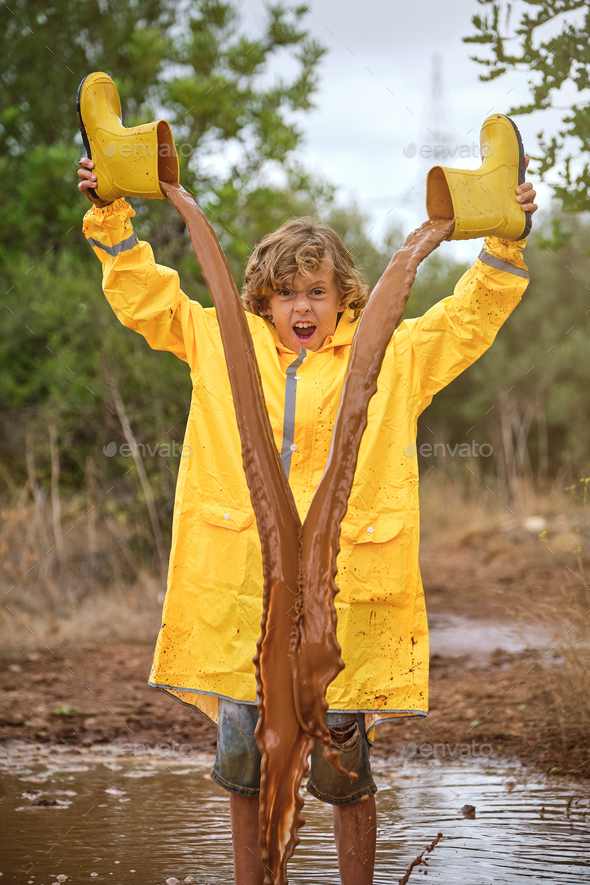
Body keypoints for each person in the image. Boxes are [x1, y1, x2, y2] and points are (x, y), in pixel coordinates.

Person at [78, 157, 537, 884]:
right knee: (245, 765)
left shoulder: (391, 352)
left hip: (343, 600)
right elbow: (143, 293)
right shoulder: (215, 341)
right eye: (286, 292)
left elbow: (466, 319)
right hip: (242, 600)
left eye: (317, 292)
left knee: (344, 765)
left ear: (343, 295)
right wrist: (109, 212)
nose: (302, 307)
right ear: (260, 299)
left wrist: (505, 242)